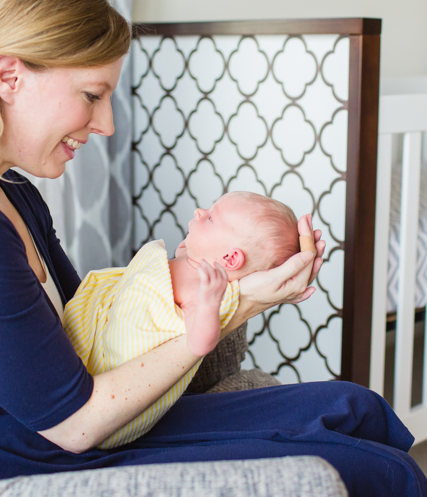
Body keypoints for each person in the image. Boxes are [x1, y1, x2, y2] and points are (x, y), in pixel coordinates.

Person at [0, 0, 427, 497]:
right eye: (92, 95)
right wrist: (231, 308)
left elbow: (96, 337)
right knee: (375, 475)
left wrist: (250, 293)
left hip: (48, 437)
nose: (107, 123)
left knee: (356, 408)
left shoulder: (11, 193)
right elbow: (76, 422)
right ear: (8, 77)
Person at [63, 191, 300, 448]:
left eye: (211, 218)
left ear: (230, 258)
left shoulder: (204, 292)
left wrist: (209, 303)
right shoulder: (193, 258)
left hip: (117, 381)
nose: (200, 212)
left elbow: (200, 343)